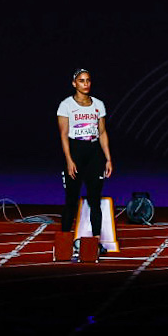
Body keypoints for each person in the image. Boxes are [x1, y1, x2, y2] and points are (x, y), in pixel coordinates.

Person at [57, 68, 113, 244]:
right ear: (74, 83)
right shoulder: (66, 105)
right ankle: (65, 241)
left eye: (88, 80)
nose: (86, 84)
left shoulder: (98, 105)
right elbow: (63, 135)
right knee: (71, 199)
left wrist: (108, 159)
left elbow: (102, 132)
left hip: (94, 153)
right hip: (75, 151)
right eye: (81, 81)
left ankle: (96, 241)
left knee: (95, 199)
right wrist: (69, 160)